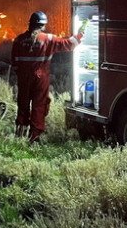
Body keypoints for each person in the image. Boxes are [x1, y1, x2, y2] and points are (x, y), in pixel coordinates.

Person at [11, 11, 84, 144]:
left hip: (23, 78)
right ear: (43, 25)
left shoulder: (18, 40)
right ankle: (34, 137)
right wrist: (80, 34)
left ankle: (20, 133)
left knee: (23, 105)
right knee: (39, 105)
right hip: (40, 77)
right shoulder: (49, 39)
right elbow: (68, 44)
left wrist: (21, 74)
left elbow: (14, 62)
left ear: (30, 24)